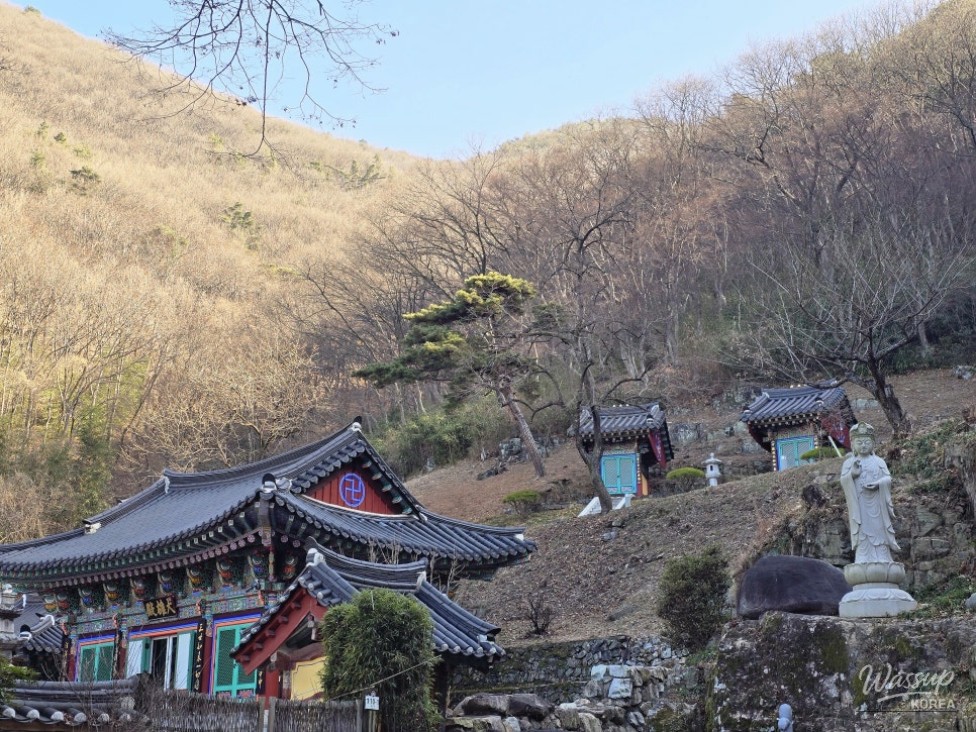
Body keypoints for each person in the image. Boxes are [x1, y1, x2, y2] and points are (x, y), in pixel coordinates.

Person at [840, 423, 899, 564]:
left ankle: (883, 556)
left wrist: (879, 484)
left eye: (867, 442)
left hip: (877, 505)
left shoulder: (878, 461)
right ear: (853, 444)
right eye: (859, 442)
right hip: (860, 506)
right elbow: (844, 480)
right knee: (863, 532)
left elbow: (888, 478)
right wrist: (852, 475)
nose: (863, 445)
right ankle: (863, 557)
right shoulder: (849, 463)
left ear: (873, 444)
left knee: (879, 530)